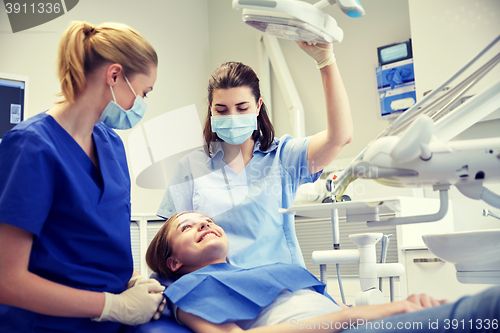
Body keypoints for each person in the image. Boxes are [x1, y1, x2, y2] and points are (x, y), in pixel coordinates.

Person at [0, 21, 165, 332]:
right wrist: (113, 306)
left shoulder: (111, 144)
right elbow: (8, 280)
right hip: (45, 326)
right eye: (143, 92)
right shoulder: (31, 147)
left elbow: (95, 242)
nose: (140, 104)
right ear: (114, 75)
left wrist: (130, 281)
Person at [157, 42, 353, 269]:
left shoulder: (283, 156)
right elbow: (169, 246)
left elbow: (339, 137)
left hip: (281, 285)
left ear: (258, 106)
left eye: (242, 108)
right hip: (218, 286)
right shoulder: (190, 167)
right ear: (210, 108)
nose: (232, 117)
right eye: (221, 110)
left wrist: (325, 60)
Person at [146, 212, 500, 333]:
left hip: (361, 324)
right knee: (484, 312)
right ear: (173, 262)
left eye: (207, 219)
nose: (204, 224)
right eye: (188, 227)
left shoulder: (269, 269)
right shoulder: (189, 288)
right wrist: (366, 312)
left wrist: (402, 308)